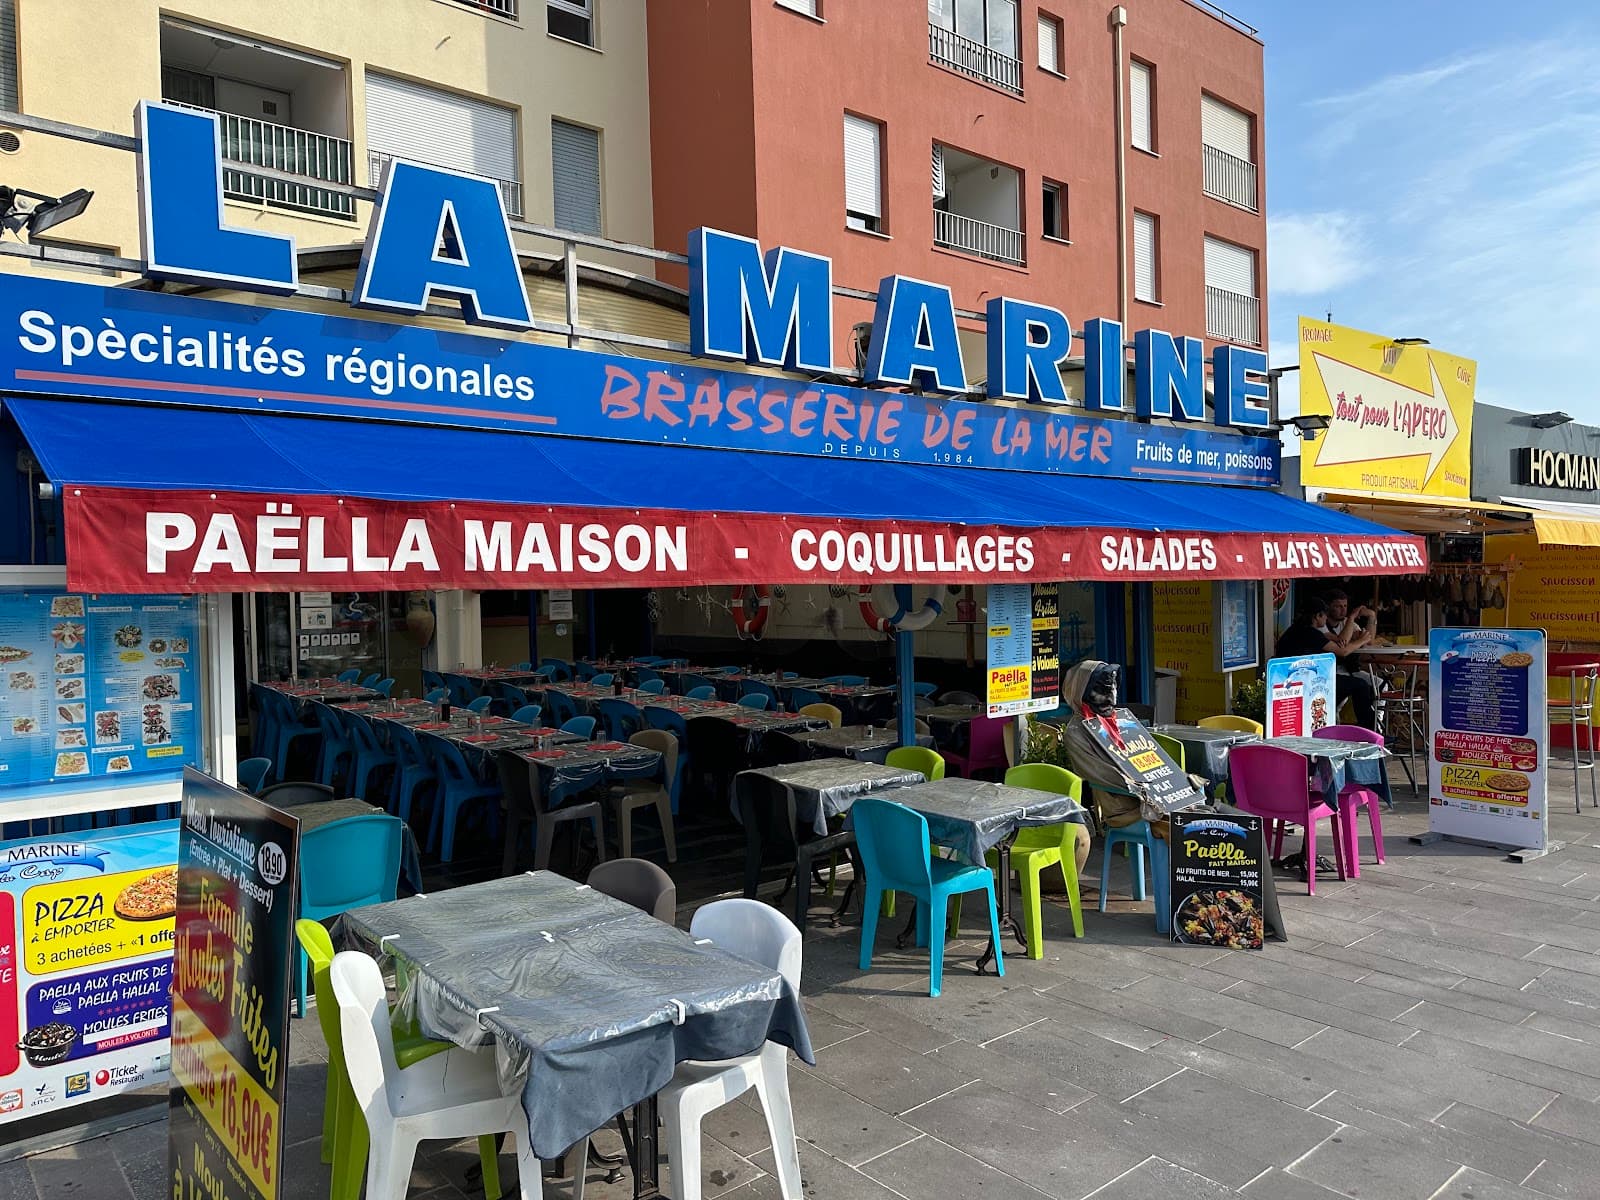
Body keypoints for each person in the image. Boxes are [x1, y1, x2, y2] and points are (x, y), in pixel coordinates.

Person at [1322, 589, 1377, 729]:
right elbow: (1343, 644)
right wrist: (1352, 618)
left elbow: (1369, 640)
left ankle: (1378, 724)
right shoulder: (1321, 625)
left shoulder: (1347, 622)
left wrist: (1371, 616)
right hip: (1329, 672)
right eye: (1338, 606)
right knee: (1351, 691)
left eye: (1345, 606)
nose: (1343, 610)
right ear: (1328, 608)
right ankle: (1337, 729)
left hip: (1350, 669)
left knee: (1380, 684)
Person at [1274, 598, 1339, 661]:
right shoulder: (1311, 633)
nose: (1326, 618)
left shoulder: (1295, 628)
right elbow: (1341, 651)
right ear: (1318, 616)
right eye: (1325, 615)